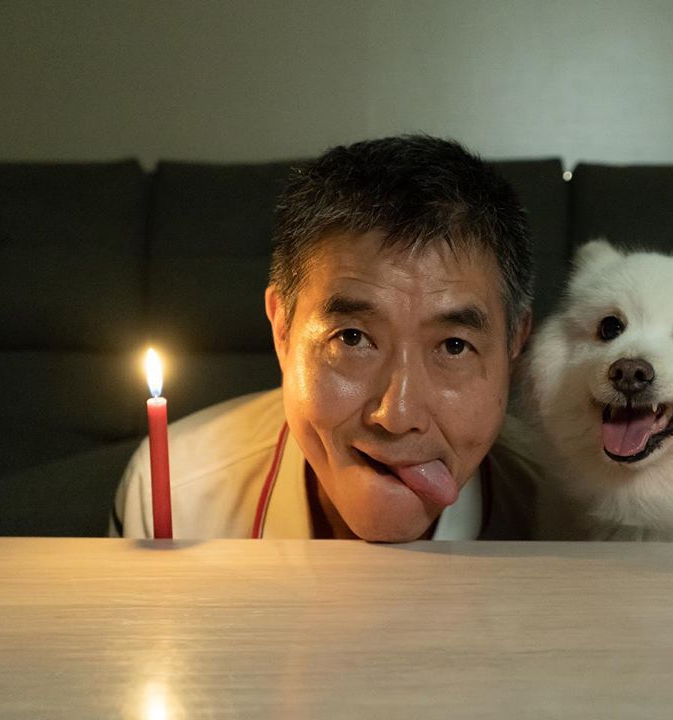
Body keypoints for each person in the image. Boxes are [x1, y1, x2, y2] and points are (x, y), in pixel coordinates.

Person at [110, 135, 541, 541]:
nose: (397, 415)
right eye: (352, 338)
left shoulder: (561, 509)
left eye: (453, 346)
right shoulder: (176, 494)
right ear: (283, 329)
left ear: (515, 344)